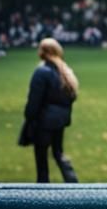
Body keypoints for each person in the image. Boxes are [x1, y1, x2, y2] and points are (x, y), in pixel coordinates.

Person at [23, 37, 80, 183]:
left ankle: (42, 191)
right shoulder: (65, 72)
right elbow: (71, 97)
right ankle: (73, 182)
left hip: (43, 121)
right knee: (58, 153)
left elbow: (34, 100)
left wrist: (29, 118)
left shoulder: (42, 72)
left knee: (41, 158)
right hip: (60, 121)